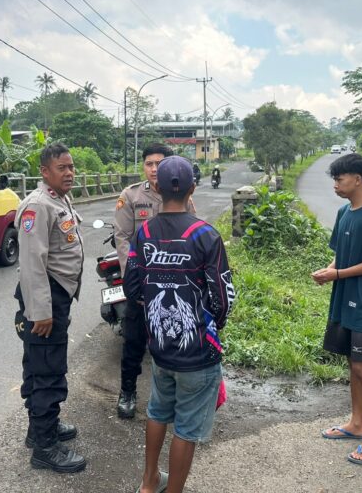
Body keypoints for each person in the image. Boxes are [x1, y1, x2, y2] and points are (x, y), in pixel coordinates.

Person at [123, 155, 235, 493]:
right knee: (186, 428)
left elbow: (131, 287)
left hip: (160, 350)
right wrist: (213, 326)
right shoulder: (205, 235)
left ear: (157, 186)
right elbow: (223, 297)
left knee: (158, 412)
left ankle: (148, 482)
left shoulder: (142, 233)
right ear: (193, 189)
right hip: (197, 351)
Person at [312, 153, 362, 466]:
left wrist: (337, 274)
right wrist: (328, 270)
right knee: (352, 361)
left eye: (340, 178)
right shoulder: (345, 212)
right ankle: (357, 424)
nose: (336, 185)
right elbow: (340, 255)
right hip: (344, 296)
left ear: (358, 179)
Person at [14, 143, 86, 473]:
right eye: (62, 168)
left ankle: (39, 429)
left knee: (40, 364)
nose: (70, 172)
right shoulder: (37, 206)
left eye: (71, 167)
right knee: (47, 372)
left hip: (56, 295)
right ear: (45, 172)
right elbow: (31, 263)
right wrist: (40, 312)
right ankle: (44, 448)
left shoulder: (59, 199)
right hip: (46, 301)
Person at [114, 143, 196, 419]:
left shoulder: (180, 194)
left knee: (174, 338)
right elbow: (123, 238)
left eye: (159, 164)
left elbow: (191, 234)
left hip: (174, 283)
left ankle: (171, 397)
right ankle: (127, 392)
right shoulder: (131, 195)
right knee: (134, 339)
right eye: (149, 163)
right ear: (143, 166)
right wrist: (133, 277)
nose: (153, 169)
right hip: (142, 285)